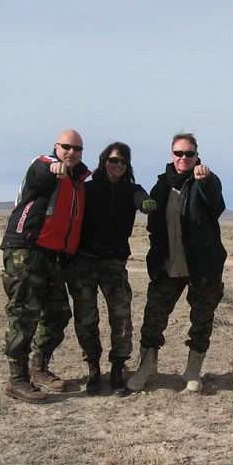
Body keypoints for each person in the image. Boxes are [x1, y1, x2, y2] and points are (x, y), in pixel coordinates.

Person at [127, 133, 226, 394]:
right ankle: (147, 367)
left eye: (189, 154)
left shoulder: (205, 180)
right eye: (179, 153)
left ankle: (193, 370)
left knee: (202, 319)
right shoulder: (162, 187)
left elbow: (216, 204)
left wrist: (206, 180)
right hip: (168, 267)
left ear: (197, 156)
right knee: (153, 319)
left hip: (202, 268)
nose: (184, 158)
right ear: (172, 155)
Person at [0, 129, 90, 402]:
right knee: (23, 315)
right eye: (66, 147)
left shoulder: (78, 182)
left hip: (53, 255)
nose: (71, 152)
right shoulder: (44, 166)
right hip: (26, 250)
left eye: (76, 148)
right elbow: (40, 170)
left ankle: (39, 367)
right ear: (56, 147)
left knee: (58, 314)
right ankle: (17, 379)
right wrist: (53, 167)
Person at [66, 142, 157, 397]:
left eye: (123, 162)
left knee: (122, 318)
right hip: (83, 262)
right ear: (104, 161)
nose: (118, 165)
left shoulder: (132, 189)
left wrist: (146, 203)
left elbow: (142, 198)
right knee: (86, 319)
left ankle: (117, 369)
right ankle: (94, 369)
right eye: (114, 160)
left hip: (114, 265)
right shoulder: (88, 189)